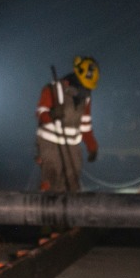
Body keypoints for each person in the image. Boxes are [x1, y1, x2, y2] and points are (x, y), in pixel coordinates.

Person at [35, 56, 100, 192]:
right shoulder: (54, 89)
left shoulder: (85, 97)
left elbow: (85, 126)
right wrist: (52, 115)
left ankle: (69, 212)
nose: (86, 90)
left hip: (72, 147)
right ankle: (45, 209)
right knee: (51, 180)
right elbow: (40, 114)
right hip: (50, 145)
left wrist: (92, 146)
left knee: (72, 184)